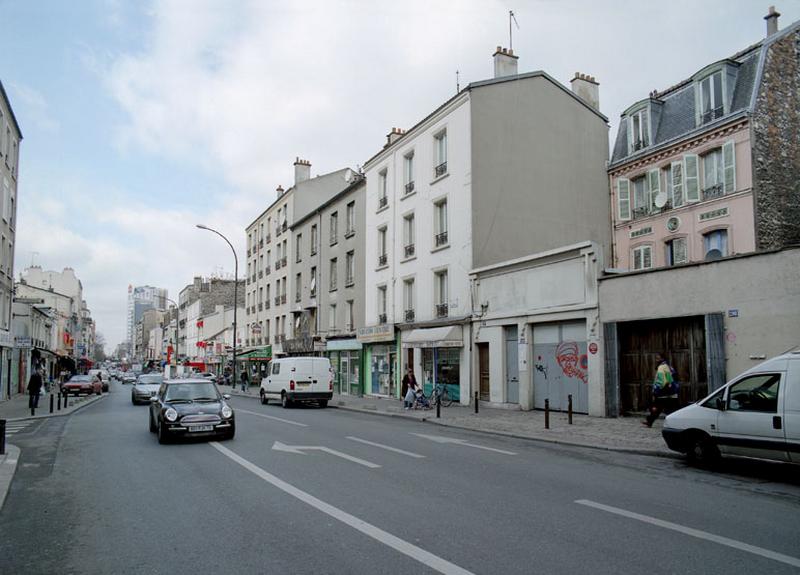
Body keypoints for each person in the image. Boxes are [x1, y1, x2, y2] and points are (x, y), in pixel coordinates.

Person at [644, 353, 678, 427]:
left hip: (663, 392)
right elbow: (671, 378)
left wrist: (656, 390)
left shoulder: (661, 367)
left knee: (658, 407)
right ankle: (649, 421)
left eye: (658, 358)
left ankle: (650, 421)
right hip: (671, 391)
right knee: (664, 408)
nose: (656, 360)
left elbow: (661, 380)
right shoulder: (669, 366)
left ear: (662, 359)